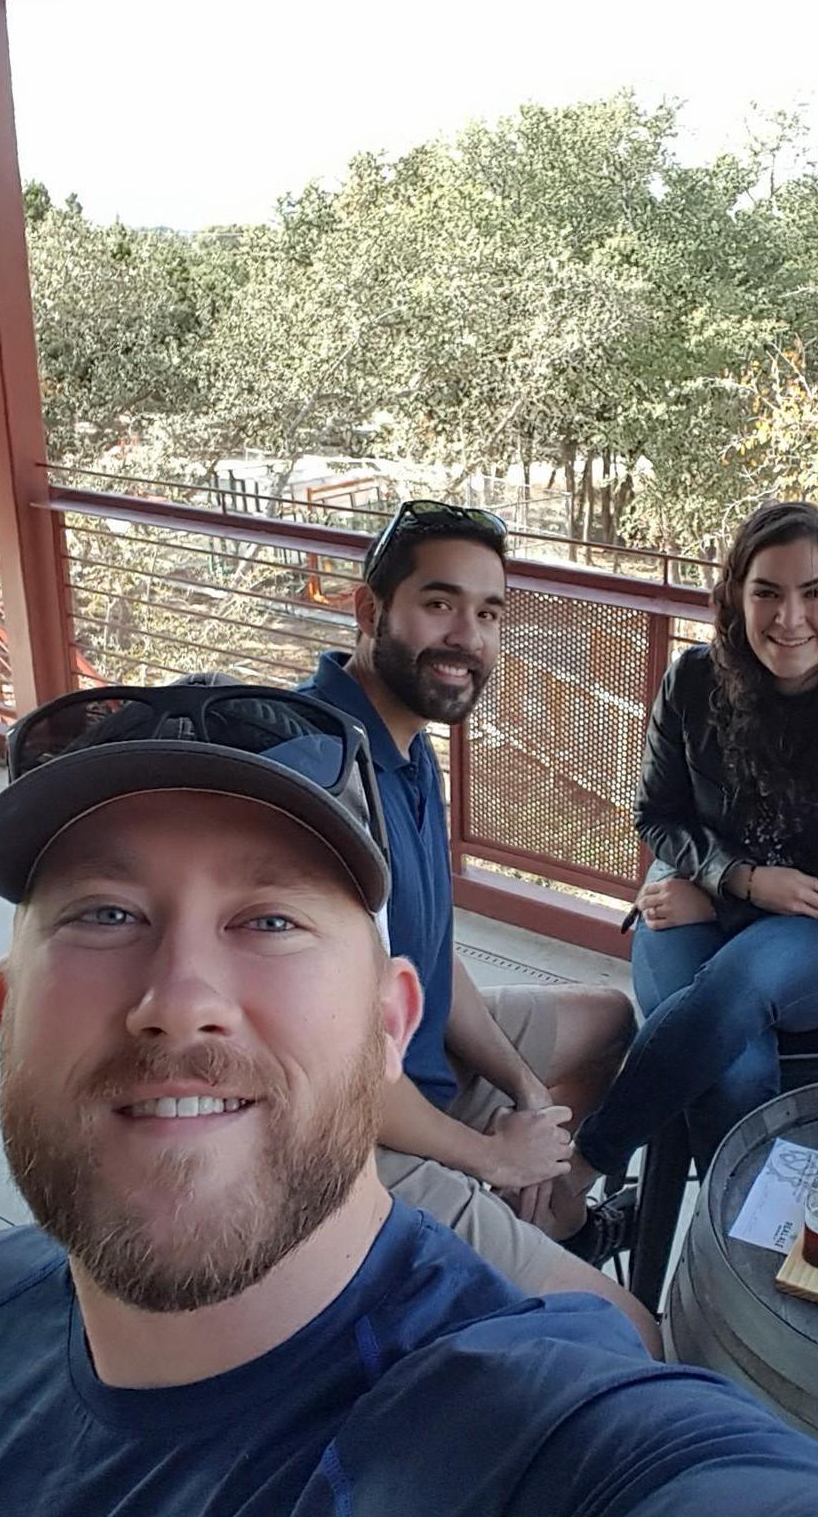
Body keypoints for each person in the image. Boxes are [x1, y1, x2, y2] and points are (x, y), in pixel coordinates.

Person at [0, 681, 818, 1515]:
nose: (180, 1004)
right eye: (105, 914)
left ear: (388, 1019)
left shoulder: (542, 1431)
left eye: (269, 920)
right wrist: (500, 1152)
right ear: (6, 1010)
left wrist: (514, 1099)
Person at [295, 499, 654, 1350]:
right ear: (369, 609)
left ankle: (554, 1221)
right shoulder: (330, 779)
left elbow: (431, 956)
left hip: (417, 1057)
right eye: (439, 603)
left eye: (488, 613)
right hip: (357, 1136)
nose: (467, 635)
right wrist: (489, 1156)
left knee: (612, 1021)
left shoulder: (408, 748)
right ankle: (504, 1239)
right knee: (635, 1334)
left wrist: (529, 1096)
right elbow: (336, 1072)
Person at [568, 501, 818, 1188]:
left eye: (814, 593)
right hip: (690, 893)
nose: (788, 618)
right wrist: (732, 876)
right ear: (736, 596)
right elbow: (657, 814)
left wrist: (727, 901)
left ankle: (584, 1166)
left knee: (740, 980)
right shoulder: (695, 681)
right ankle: (738, 1240)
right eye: (767, 591)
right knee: (729, 1062)